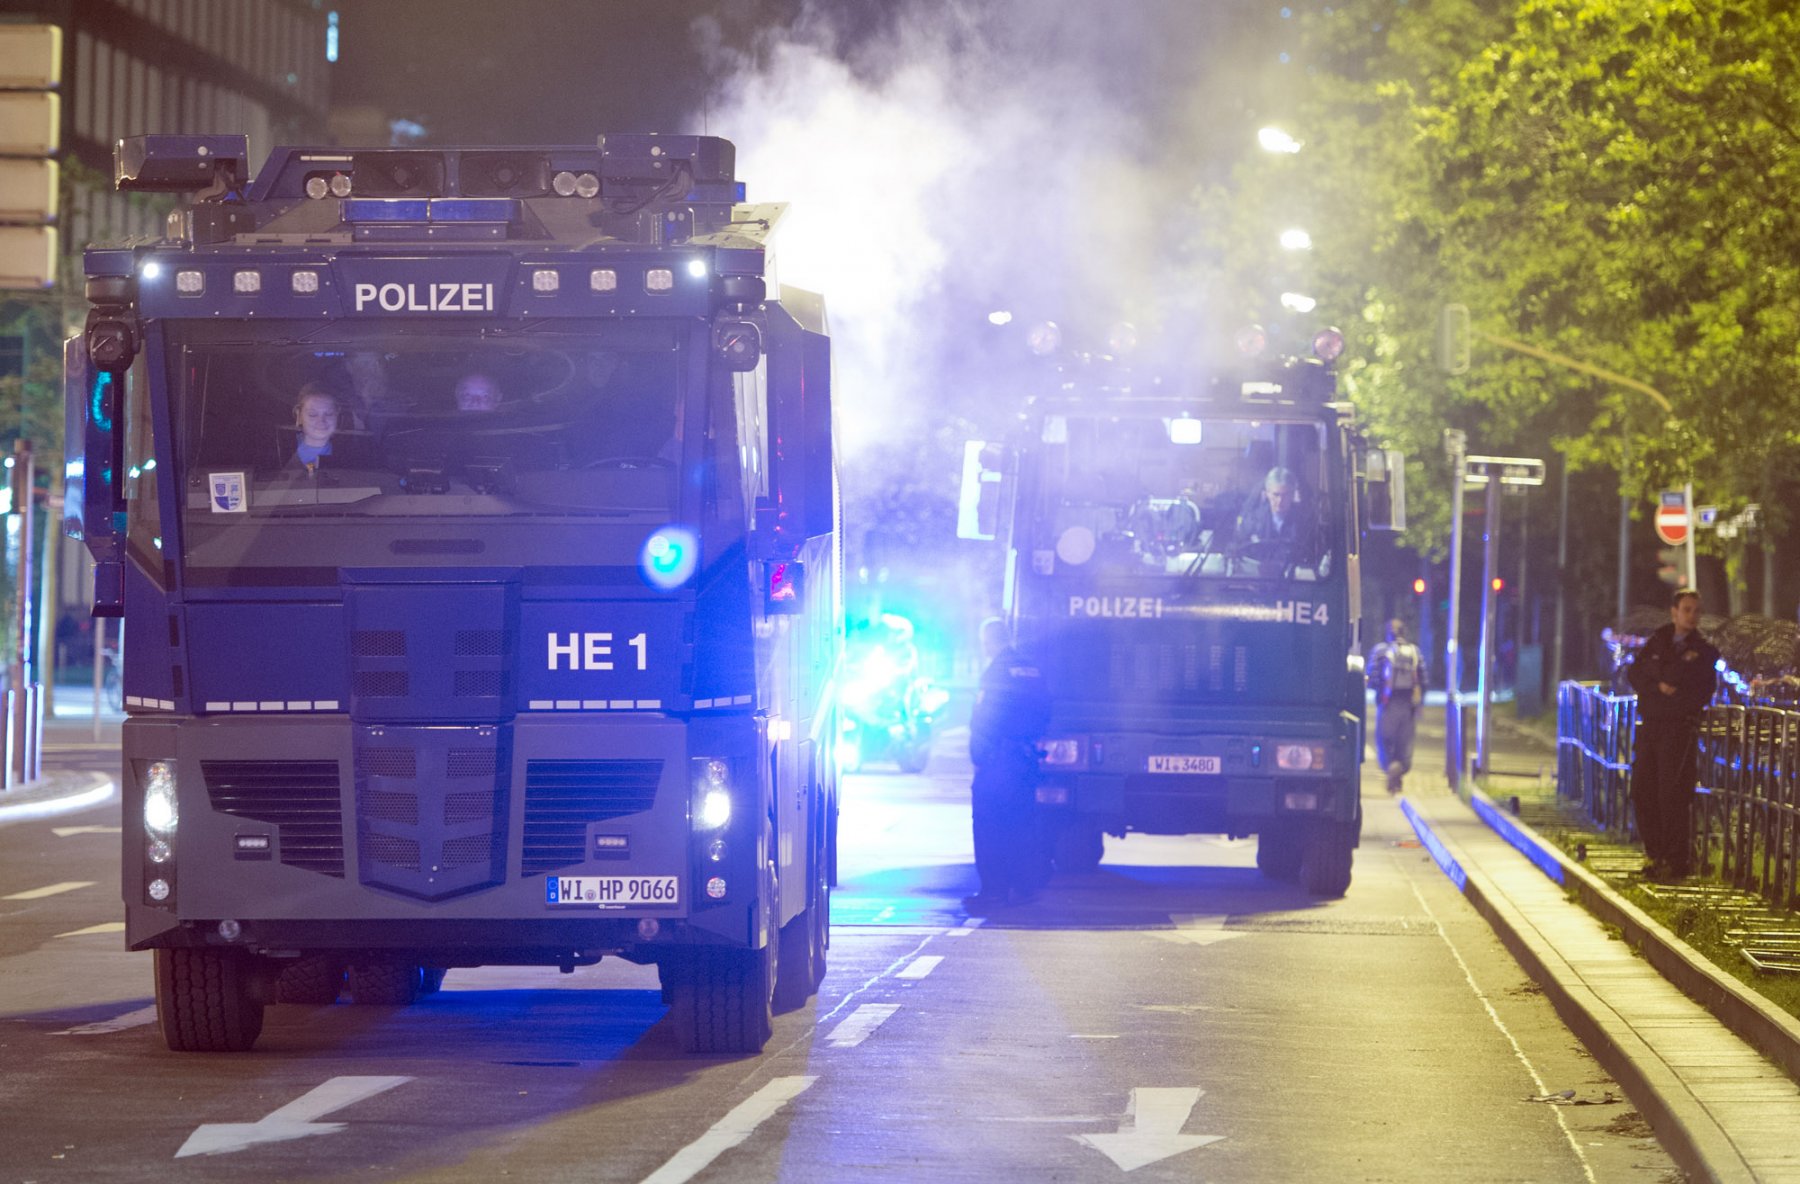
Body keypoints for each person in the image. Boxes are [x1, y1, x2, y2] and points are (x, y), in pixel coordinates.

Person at [1625, 588, 1719, 880]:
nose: (1692, 616)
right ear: (1674, 612)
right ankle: (1654, 853)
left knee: (1673, 793)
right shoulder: (1658, 641)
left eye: (1696, 611)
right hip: (1651, 725)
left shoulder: (1703, 651)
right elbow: (1636, 674)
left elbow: (1701, 689)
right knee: (1643, 791)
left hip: (1678, 729)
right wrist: (1658, 688)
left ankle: (1676, 859)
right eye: (1687, 610)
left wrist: (1675, 697)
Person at [964, 617, 1052, 913]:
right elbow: (1046, 710)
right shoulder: (1032, 669)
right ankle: (1026, 888)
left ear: (989, 640)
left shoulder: (996, 671)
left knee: (989, 828)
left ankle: (994, 890)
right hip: (1026, 761)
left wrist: (979, 758)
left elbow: (983, 719)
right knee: (1023, 826)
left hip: (998, 763)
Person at [1367, 618, 1424, 793]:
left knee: (1384, 741)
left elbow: (1372, 678)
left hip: (1387, 704)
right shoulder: (1415, 652)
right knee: (1404, 743)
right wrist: (1420, 704)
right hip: (1408, 706)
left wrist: (1378, 692)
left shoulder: (1380, 651)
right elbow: (1423, 679)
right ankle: (1399, 771)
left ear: (1388, 633)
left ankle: (1390, 767)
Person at [1234, 465, 1320, 567]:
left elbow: (1313, 559)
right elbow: (1238, 553)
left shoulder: (1305, 524)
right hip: (1257, 580)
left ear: (1293, 495)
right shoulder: (1251, 522)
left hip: (1294, 581)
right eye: (1276, 494)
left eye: (1285, 495)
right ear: (1267, 494)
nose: (1280, 500)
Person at [289, 383, 343, 470]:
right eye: (312, 414)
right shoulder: (279, 449)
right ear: (299, 415)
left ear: (337, 414)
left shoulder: (351, 454)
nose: (321, 421)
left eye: (329, 414)